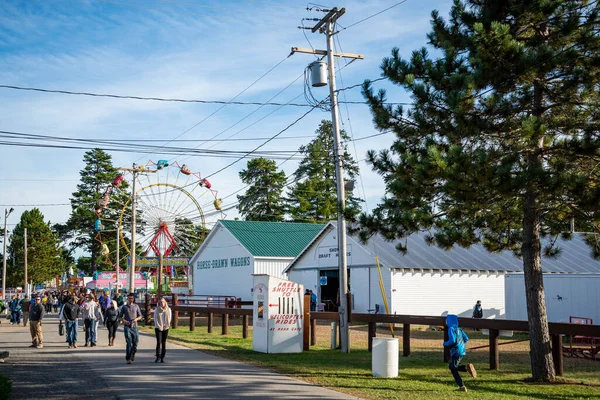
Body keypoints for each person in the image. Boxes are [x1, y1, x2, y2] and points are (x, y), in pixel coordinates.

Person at [443, 314, 477, 392]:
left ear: (449, 321)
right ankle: (466, 369)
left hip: (456, 350)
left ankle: (462, 386)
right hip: (461, 350)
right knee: (452, 367)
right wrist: (461, 345)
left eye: (447, 320)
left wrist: (445, 343)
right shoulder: (459, 329)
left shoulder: (451, 329)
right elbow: (466, 339)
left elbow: (452, 340)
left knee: (453, 368)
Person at [120, 293, 142, 364]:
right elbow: (120, 317)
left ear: (133, 299)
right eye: (129, 298)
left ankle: (133, 353)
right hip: (127, 327)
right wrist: (124, 320)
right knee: (129, 342)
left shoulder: (136, 306)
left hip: (134, 327)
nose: (131, 300)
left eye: (132, 298)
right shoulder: (124, 307)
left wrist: (136, 319)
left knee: (135, 342)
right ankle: (128, 358)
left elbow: (140, 316)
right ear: (127, 299)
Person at [153, 297, 172, 363]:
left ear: (165, 302)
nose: (162, 303)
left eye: (163, 302)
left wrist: (166, 325)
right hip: (158, 327)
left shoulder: (168, 309)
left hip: (165, 327)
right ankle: (158, 356)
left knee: (164, 342)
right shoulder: (157, 310)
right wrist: (159, 326)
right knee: (159, 342)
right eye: (160, 302)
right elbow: (155, 319)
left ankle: (162, 356)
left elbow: (169, 318)